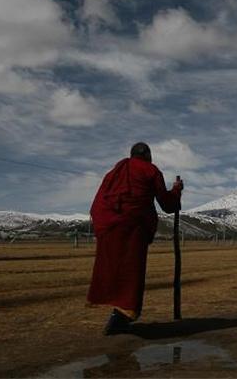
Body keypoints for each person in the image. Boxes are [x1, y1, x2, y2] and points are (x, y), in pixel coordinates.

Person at [87, 142, 183, 335]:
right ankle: (122, 317)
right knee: (132, 272)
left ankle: (119, 315)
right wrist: (177, 190)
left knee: (112, 268)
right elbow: (166, 203)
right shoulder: (150, 170)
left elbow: (99, 201)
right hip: (131, 228)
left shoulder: (113, 173)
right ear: (147, 155)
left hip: (108, 224)